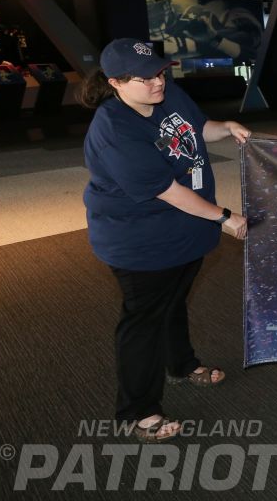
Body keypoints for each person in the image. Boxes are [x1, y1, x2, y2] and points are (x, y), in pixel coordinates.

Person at [80, 38, 251, 442]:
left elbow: (194, 128)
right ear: (116, 83)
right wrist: (226, 217)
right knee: (144, 321)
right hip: (140, 241)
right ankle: (138, 411)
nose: (158, 82)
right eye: (145, 78)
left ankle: (180, 365)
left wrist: (224, 127)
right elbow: (168, 190)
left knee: (174, 302)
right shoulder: (114, 129)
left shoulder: (165, 91)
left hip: (184, 231)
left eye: (160, 71)